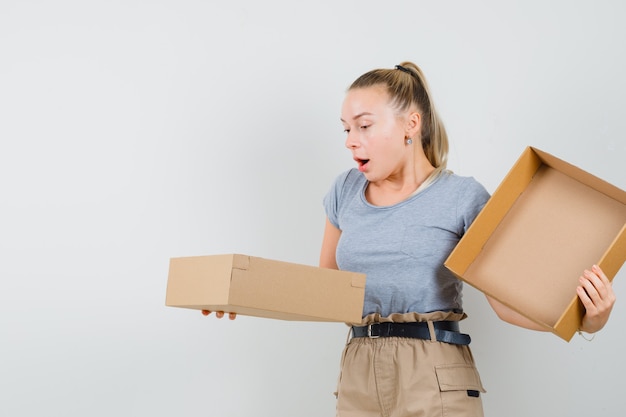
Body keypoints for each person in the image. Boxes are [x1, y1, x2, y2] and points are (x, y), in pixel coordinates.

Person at [203, 61, 616, 417]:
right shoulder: (344, 191)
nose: (350, 139)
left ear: (411, 125)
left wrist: (586, 320)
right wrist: (242, 296)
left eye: (364, 125)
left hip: (435, 370)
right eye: (346, 128)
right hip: (359, 369)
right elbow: (323, 291)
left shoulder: (462, 197)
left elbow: (506, 304)